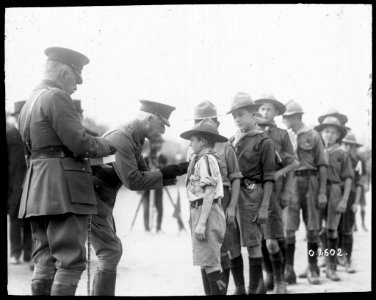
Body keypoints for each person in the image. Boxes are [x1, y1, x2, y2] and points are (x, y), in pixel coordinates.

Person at [17, 47, 117, 296]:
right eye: (75, 78)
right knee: (70, 262)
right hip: (63, 192)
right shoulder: (56, 97)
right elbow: (80, 143)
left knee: (44, 260)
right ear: (63, 73)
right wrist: (110, 144)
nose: (76, 85)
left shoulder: (31, 100)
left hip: (36, 191)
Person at [90, 100, 186, 295]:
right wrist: (167, 171)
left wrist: (172, 173)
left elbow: (144, 171)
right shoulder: (123, 137)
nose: (163, 131)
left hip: (100, 197)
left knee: (110, 251)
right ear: (150, 119)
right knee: (110, 252)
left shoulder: (135, 136)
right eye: (162, 125)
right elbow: (133, 180)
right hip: (93, 197)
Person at [187, 101, 242, 295]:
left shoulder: (224, 147)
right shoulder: (194, 151)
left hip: (218, 203)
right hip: (200, 206)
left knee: (219, 254)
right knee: (206, 257)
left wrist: (232, 207)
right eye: (198, 121)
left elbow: (235, 178)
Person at [227, 92, 275, 294]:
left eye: (241, 114)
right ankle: (239, 288)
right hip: (232, 197)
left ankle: (254, 288)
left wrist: (264, 207)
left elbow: (269, 177)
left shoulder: (264, 141)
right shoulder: (231, 140)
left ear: (253, 114)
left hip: (252, 195)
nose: (237, 119)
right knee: (232, 245)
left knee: (254, 244)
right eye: (234, 116)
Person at [254, 94, 299, 293]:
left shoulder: (282, 135)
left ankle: (281, 281)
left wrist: (286, 189)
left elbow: (293, 163)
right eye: (262, 109)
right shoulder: (249, 132)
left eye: (269, 109)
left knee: (272, 239)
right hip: (253, 191)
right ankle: (268, 276)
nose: (264, 112)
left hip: (274, 192)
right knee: (259, 238)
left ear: (276, 113)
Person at [282, 100, 328, 285]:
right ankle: (289, 269)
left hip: (310, 182)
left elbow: (323, 165)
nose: (284, 119)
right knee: (289, 228)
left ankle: (313, 266)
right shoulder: (285, 137)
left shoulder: (313, 135)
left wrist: (323, 191)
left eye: (287, 116)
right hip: (291, 183)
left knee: (312, 228)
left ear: (296, 116)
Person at [180, 118, 228, 296]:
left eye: (193, 140)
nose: (191, 144)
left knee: (212, 264)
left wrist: (201, 223)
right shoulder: (199, 159)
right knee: (208, 263)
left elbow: (209, 193)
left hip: (206, 212)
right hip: (201, 211)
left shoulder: (207, 160)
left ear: (203, 141)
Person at [314, 116, 353, 281]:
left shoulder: (342, 153)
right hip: (317, 190)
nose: (329, 135)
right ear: (321, 133)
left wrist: (344, 200)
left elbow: (349, 178)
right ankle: (315, 264)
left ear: (338, 135)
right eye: (326, 131)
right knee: (315, 228)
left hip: (335, 191)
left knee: (332, 228)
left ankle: (331, 266)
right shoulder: (316, 151)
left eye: (333, 132)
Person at [7, 101, 32, 268]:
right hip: (14, 185)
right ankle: (15, 253)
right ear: (15, 117)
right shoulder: (9, 136)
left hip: (30, 183)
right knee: (14, 219)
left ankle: (29, 253)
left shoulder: (32, 135)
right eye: (19, 116)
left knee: (31, 219)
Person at [337, 132, 365, 273]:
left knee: (347, 230)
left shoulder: (358, 161)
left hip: (351, 196)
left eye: (351, 145)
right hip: (336, 195)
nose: (348, 147)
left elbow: (359, 183)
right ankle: (331, 259)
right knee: (332, 229)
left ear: (354, 147)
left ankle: (347, 260)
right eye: (345, 144)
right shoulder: (337, 157)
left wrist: (356, 202)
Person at [142, 136, 168, 232]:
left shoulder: (163, 158)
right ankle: (147, 228)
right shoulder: (145, 157)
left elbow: (165, 171)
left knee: (160, 208)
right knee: (146, 208)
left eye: (159, 143)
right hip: (147, 186)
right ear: (151, 144)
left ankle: (158, 227)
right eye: (156, 143)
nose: (158, 145)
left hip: (158, 186)